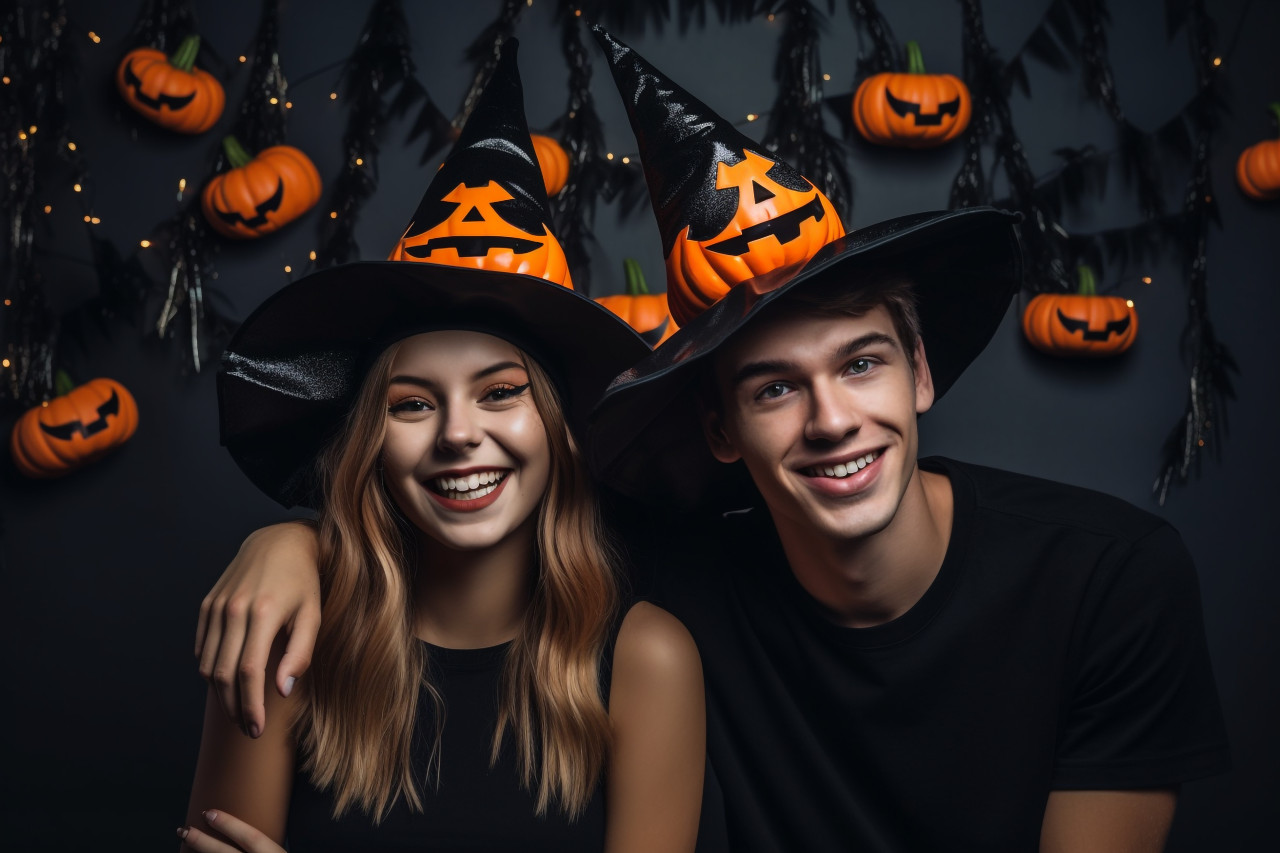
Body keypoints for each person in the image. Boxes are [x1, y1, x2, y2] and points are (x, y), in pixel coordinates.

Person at [192, 29, 1230, 853]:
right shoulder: (665, 580)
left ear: (922, 373)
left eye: (861, 363)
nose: (828, 419)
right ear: (718, 427)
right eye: (772, 387)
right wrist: (292, 544)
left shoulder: (1108, 579)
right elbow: (470, 524)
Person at [178, 42, 703, 853]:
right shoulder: (282, 638)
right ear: (369, 444)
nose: (459, 433)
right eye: (413, 403)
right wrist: (285, 536)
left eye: (500, 391)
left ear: (560, 431)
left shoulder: (647, 660)